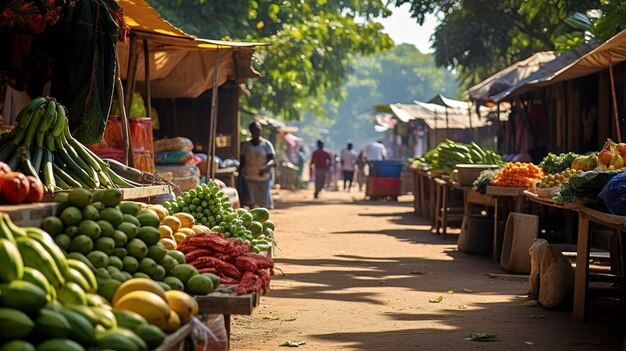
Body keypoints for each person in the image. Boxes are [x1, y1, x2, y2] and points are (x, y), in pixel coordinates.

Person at [240, 121, 276, 208]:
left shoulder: (266, 144)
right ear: (251, 131)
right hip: (249, 176)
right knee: (251, 201)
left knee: (262, 201)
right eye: (254, 130)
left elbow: (272, 160)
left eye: (258, 130)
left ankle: (262, 218)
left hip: (262, 176)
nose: (256, 132)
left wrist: (266, 168)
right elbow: (242, 160)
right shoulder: (246, 145)